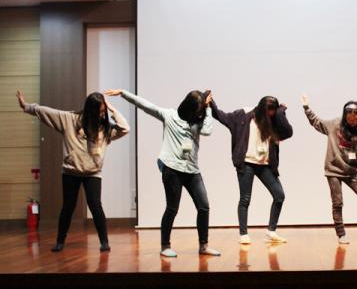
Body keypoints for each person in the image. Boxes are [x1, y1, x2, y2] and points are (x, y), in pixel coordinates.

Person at [104, 88, 220, 257]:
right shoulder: (169, 116)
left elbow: (208, 131)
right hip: (172, 170)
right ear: (189, 107)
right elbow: (145, 105)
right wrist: (123, 93)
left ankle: (203, 246)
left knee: (204, 206)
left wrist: (208, 108)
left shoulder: (197, 122)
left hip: (192, 170)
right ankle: (165, 246)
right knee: (172, 208)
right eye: (198, 109)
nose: (199, 112)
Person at [17, 90, 130, 252]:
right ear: (90, 110)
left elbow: (125, 128)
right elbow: (46, 112)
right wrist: (26, 107)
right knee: (68, 207)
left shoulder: (105, 128)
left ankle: (104, 242)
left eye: (103, 112)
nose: (101, 115)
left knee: (96, 206)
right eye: (100, 112)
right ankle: (60, 241)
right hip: (71, 172)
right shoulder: (69, 120)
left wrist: (111, 109)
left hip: (93, 173)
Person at [302, 94, 357, 244]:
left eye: (356, 114)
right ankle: (341, 234)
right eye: (349, 113)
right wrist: (306, 107)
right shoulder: (335, 124)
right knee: (338, 202)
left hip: (351, 172)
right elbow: (317, 122)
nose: (352, 116)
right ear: (345, 114)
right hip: (333, 170)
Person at [210, 95, 293, 244]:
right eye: (269, 112)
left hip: (265, 165)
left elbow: (288, 133)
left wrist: (281, 113)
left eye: (273, 112)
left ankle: (271, 231)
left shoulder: (274, 119)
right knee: (245, 199)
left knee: (279, 195)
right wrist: (211, 103)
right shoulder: (244, 115)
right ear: (261, 109)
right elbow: (222, 117)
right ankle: (243, 234)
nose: (270, 115)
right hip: (246, 163)